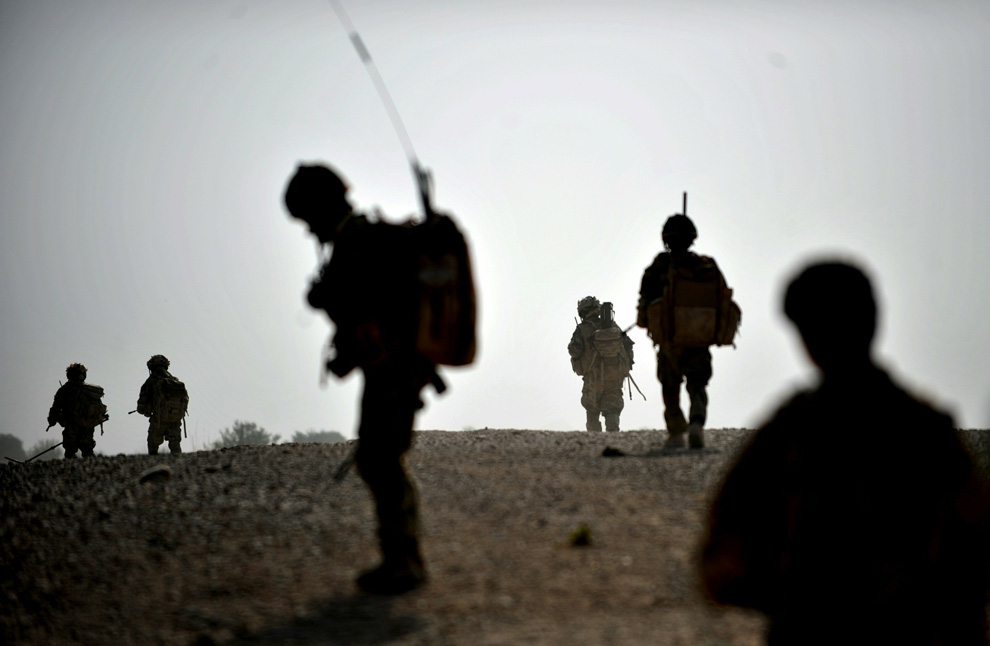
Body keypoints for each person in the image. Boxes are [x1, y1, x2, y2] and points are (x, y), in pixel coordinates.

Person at [699, 260, 990, 645]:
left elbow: (720, 568)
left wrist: (792, 594)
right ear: (874, 322)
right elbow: (975, 542)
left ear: (804, 337)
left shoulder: (790, 431)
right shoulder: (927, 430)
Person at [284, 162, 462, 594]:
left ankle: (404, 561)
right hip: (388, 367)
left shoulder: (361, 243)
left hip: (395, 368)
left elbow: (375, 307)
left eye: (309, 219)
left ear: (322, 208)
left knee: (380, 459)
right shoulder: (358, 241)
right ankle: (402, 558)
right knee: (379, 458)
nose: (310, 231)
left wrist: (329, 297)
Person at [637, 212, 737, 449]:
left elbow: (645, 300)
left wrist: (644, 321)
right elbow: (722, 297)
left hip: (670, 341)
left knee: (670, 386)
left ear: (666, 239)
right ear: (692, 239)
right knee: (698, 384)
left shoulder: (660, 265)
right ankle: (696, 423)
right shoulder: (704, 266)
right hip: (699, 339)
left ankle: (675, 433)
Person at [568, 296, 634, 432]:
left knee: (592, 410)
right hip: (614, 375)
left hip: (593, 376)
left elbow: (574, 351)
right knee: (612, 408)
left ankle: (595, 441)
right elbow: (627, 346)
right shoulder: (613, 327)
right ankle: (613, 436)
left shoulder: (582, 329)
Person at [47, 363, 107, 459]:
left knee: (70, 452)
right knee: (87, 451)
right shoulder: (90, 391)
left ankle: (72, 472)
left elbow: (55, 408)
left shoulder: (65, 390)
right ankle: (92, 470)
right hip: (88, 426)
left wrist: (52, 420)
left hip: (71, 426)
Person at [136, 354, 188, 455]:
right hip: (175, 421)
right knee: (175, 448)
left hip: (158, 421)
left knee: (153, 447)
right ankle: (179, 468)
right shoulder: (174, 381)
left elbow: (141, 405)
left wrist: (144, 410)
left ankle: (154, 468)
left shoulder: (150, 382)